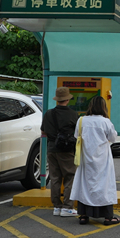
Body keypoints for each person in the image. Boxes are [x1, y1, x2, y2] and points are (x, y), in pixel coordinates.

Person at [69, 94, 120, 226]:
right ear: (103, 107)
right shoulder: (105, 122)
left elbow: (76, 136)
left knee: (84, 184)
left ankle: (84, 215)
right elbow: (113, 138)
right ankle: (108, 217)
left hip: (85, 158)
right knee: (104, 185)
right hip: (103, 159)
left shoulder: (82, 120)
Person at [41, 87, 78, 217]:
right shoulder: (73, 114)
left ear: (57, 99)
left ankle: (57, 206)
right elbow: (78, 132)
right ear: (67, 99)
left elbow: (43, 131)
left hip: (52, 149)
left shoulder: (48, 114)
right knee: (70, 177)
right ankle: (67, 207)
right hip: (67, 150)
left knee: (55, 178)